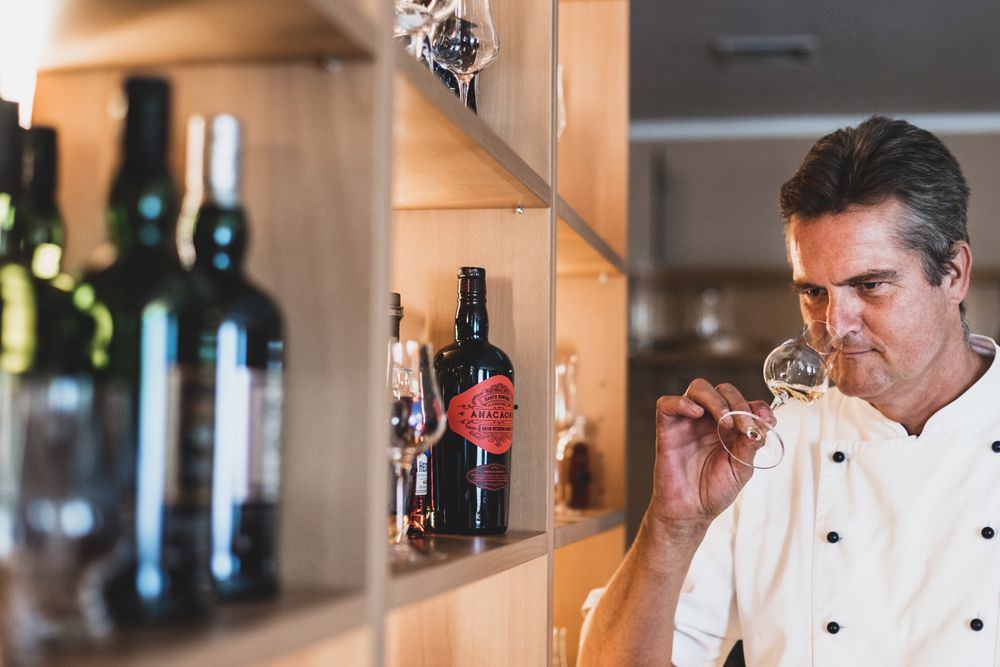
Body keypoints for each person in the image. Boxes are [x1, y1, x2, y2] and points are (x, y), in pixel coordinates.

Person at [578, 115, 1000, 666]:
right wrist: (673, 525)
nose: (834, 325)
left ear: (954, 273)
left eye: (870, 285)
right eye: (813, 292)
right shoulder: (763, 452)